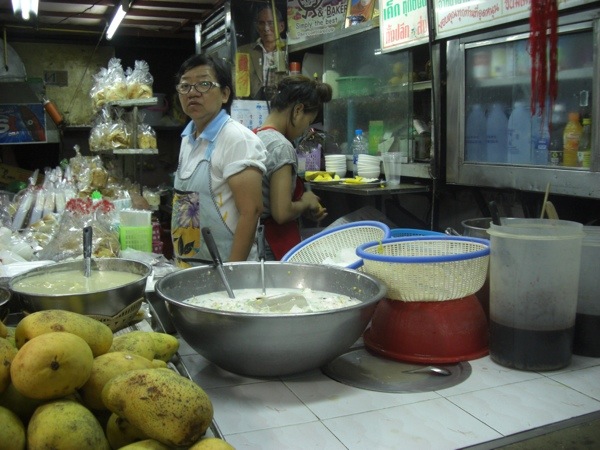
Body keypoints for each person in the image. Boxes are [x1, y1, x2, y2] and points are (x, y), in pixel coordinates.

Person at [171, 54, 267, 266]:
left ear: (224, 94)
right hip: (191, 267)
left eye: (204, 84)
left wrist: (231, 273)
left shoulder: (236, 138)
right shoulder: (187, 138)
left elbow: (251, 211)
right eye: (185, 86)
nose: (192, 93)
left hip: (226, 271)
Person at [254, 75, 332, 260]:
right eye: (308, 122)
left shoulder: (254, 136)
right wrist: (306, 201)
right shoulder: (281, 147)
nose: (305, 130)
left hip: (256, 238)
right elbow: (281, 213)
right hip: (272, 243)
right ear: (298, 110)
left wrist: (302, 209)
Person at [236, 5, 287, 100]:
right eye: (261, 23)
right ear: (257, 27)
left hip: (284, 102)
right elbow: (238, 84)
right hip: (254, 104)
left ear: (281, 26)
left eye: (271, 23)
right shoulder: (244, 51)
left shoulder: (291, 48)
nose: (266, 28)